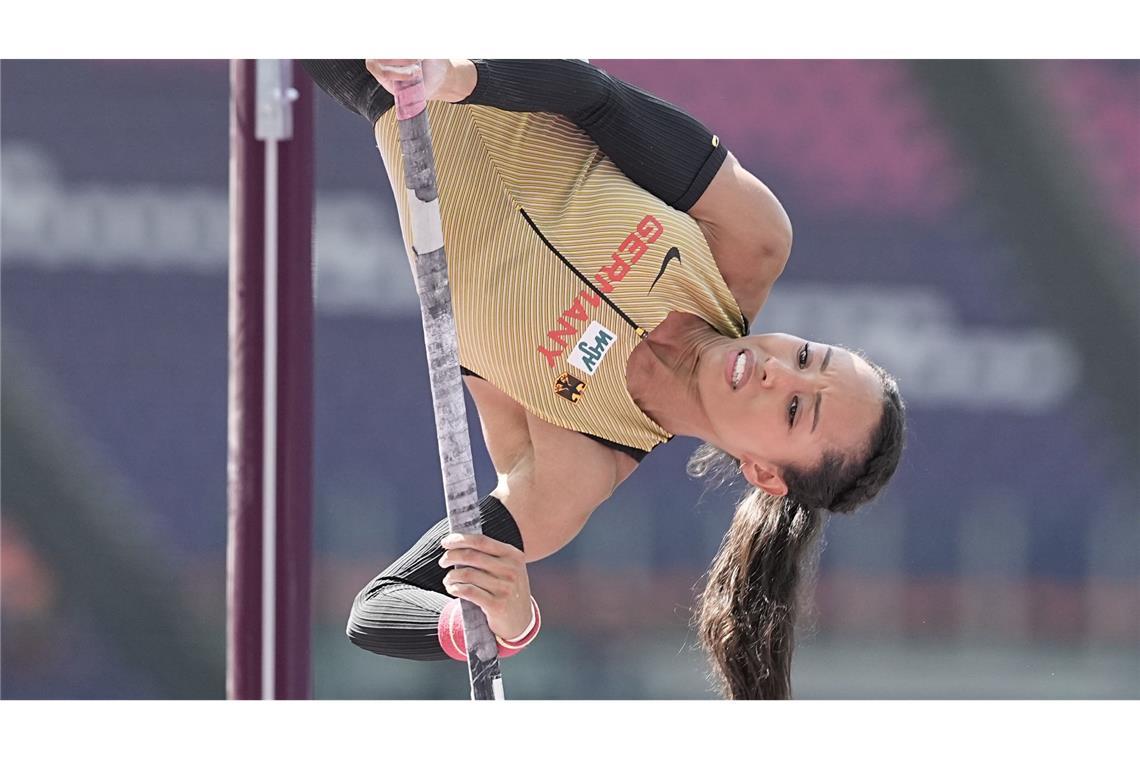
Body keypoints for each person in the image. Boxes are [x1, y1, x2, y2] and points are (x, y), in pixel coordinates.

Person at [302, 59, 906, 699]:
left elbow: (379, 606)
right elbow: (596, 99)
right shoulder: (749, 240)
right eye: (809, 356)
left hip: (378, 79)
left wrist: (498, 623)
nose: (776, 371)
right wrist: (455, 72)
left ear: (762, 472)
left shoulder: (573, 469)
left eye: (793, 410)